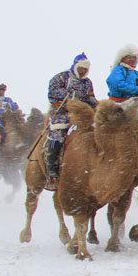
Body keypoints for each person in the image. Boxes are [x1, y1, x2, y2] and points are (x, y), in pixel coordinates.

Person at [43, 53, 97, 189]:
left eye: (86, 68)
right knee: (58, 134)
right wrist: (71, 95)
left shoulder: (87, 82)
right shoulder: (62, 77)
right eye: (81, 67)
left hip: (80, 114)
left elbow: (90, 95)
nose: (83, 70)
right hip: (62, 111)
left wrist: (92, 101)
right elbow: (52, 91)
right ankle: (52, 168)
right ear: (75, 66)